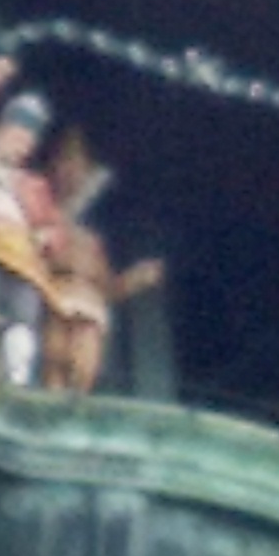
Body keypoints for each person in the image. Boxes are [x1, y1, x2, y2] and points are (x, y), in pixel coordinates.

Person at [0, 56, 65, 387]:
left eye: (28, 143)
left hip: (23, 254)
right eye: (18, 137)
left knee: (23, 317)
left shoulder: (34, 185)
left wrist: (47, 237)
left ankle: (16, 380)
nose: (22, 147)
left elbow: (54, 226)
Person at [40, 132, 164, 394]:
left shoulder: (93, 242)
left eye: (78, 162)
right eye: (64, 160)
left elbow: (107, 288)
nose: (70, 170)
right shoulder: (42, 211)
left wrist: (135, 279)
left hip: (88, 304)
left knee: (83, 364)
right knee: (55, 360)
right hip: (55, 296)